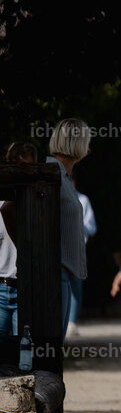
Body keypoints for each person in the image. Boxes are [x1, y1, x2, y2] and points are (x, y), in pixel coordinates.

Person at [47, 118, 91, 343]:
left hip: (64, 274)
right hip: (53, 274)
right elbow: (10, 209)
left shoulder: (64, 177)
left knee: (55, 351)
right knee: (50, 351)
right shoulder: (50, 174)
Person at [0, 141, 38, 336]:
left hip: (27, 287)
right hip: (1, 287)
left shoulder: (38, 203)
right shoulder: (3, 204)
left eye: (31, 169)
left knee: (24, 355)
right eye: (21, 168)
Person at [67, 177, 97, 336]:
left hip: (77, 249)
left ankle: (72, 321)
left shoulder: (83, 200)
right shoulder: (55, 198)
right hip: (59, 249)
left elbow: (92, 227)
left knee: (75, 287)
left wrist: (76, 224)